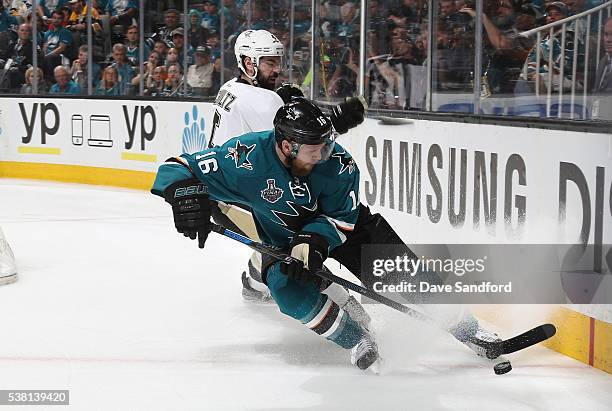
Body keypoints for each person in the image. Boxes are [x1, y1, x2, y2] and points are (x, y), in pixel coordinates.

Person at [151, 97, 504, 372]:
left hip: (347, 229)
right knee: (290, 294)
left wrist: (313, 242)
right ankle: (356, 339)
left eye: (327, 143)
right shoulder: (244, 157)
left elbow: (341, 219)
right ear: (287, 146)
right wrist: (183, 197)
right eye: (315, 148)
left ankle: (469, 329)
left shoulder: (339, 165)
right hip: (281, 239)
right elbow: (175, 168)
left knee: (406, 276)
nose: (326, 153)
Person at [210, 29, 367, 308]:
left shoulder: (231, 88)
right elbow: (296, 148)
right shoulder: (263, 101)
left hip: (225, 196)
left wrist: (282, 99)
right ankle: (348, 311)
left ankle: (255, 283)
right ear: (249, 63)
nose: (277, 70)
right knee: (296, 251)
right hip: (238, 201)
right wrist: (338, 122)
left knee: (279, 242)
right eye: (270, 63)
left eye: (277, 62)